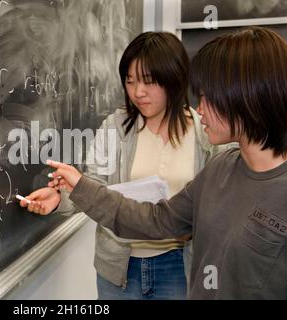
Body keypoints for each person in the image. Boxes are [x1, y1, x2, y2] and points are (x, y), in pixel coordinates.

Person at [35, 26, 287, 299]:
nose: (138, 92)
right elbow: (156, 219)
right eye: (130, 81)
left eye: (208, 97)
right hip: (122, 265)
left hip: (175, 265)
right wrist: (76, 188)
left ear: (245, 97)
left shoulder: (211, 141)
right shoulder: (220, 169)